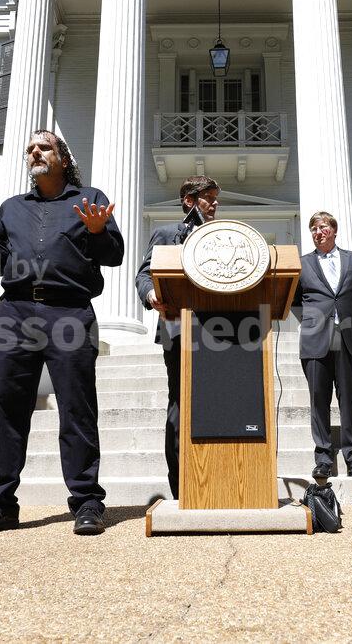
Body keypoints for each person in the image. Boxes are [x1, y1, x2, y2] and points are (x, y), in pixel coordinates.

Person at [0, 129, 124, 536]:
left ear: (63, 158)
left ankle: (87, 502)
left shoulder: (90, 200)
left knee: (76, 408)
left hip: (69, 312)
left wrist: (97, 231)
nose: (35, 152)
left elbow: (114, 255)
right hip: (16, 312)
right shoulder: (12, 208)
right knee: (10, 411)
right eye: (30, 149)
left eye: (44, 146)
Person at [135, 175, 220, 499]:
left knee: (217, 404)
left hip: (223, 332)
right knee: (180, 405)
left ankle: (214, 478)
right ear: (189, 201)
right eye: (208, 197)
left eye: (216, 198)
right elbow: (144, 274)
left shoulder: (222, 237)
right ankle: (182, 486)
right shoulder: (168, 234)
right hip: (177, 330)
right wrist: (151, 294)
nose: (215, 203)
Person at [294, 211, 352, 480]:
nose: (318, 232)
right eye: (313, 228)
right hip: (315, 339)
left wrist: (346, 321)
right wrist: (313, 321)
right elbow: (295, 302)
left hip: (348, 336)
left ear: (334, 230)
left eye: (323, 226)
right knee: (319, 400)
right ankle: (324, 459)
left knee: (349, 399)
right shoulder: (302, 264)